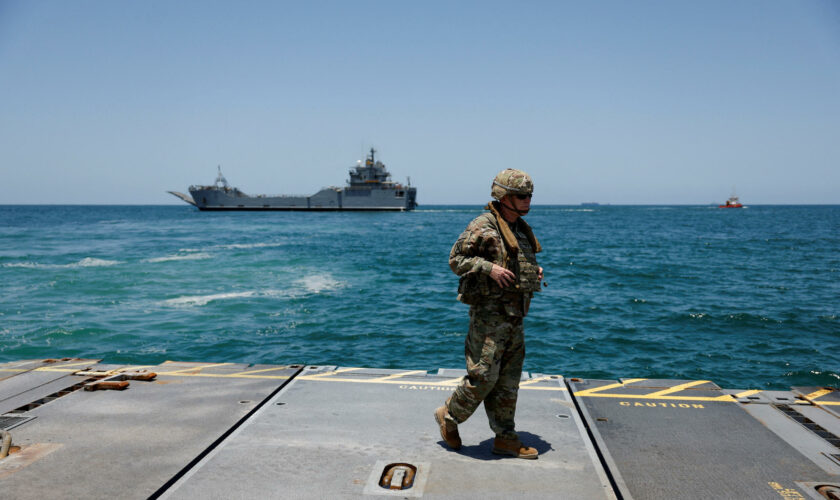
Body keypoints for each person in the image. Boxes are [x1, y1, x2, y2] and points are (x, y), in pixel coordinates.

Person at [434, 168, 543, 459]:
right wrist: (488, 268)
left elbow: (516, 261)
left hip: (514, 317)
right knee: (483, 376)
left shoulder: (518, 228)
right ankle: (449, 415)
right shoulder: (483, 225)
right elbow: (456, 260)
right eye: (521, 195)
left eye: (529, 195)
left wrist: (533, 271)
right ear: (503, 196)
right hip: (489, 317)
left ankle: (505, 437)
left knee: (508, 380)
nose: (527, 200)